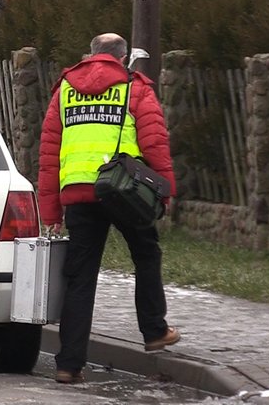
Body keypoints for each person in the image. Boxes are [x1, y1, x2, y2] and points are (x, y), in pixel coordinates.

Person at [37, 33, 180, 384]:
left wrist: (51, 212)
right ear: (123, 56)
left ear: (90, 54)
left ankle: (68, 365)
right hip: (123, 190)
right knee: (146, 254)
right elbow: (154, 142)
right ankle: (153, 331)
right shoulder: (135, 88)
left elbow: (49, 155)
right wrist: (164, 190)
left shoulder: (65, 91)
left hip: (79, 196)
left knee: (80, 279)